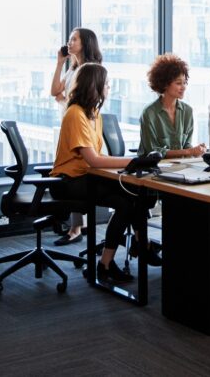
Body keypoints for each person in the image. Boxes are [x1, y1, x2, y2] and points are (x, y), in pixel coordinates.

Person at [48, 63, 159, 283]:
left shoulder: (94, 114)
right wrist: (134, 161)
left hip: (86, 176)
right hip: (69, 180)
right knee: (130, 198)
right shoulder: (75, 114)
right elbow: (93, 160)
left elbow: (96, 159)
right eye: (107, 84)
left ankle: (109, 262)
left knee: (133, 197)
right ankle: (139, 245)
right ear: (95, 86)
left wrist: (133, 163)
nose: (109, 87)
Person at [48, 27, 103, 245]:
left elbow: (73, 98)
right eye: (69, 39)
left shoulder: (91, 70)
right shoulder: (72, 69)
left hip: (84, 127)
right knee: (75, 172)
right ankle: (77, 227)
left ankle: (78, 228)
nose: (69, 43)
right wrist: (60, 63)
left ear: (86, 43)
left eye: (74, 39)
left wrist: (65, 98)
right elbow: (55, 92)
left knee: (84, 171)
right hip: (71, 125)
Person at [138, 54, 208, 158]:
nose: (183, 87)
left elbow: (186, 145)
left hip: (180, 168)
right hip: (152, 169)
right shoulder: (149, 113)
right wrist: (188, 151)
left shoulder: (187, 111)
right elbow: (152, 151)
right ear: (165, 84)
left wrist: (196, 151)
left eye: (185, 83)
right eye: (179, 83)